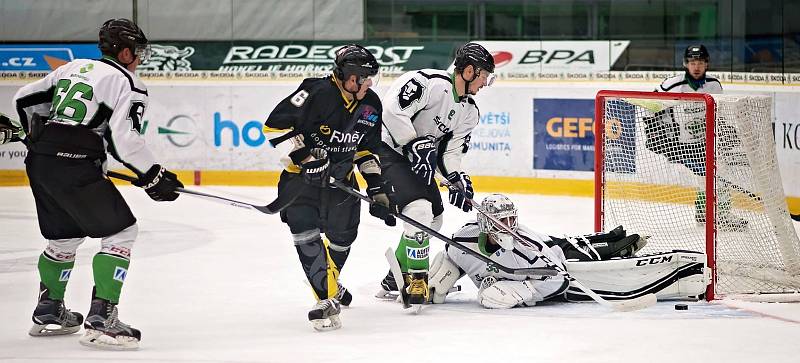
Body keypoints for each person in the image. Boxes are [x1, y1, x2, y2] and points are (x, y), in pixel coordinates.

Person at [11, 18, 184, 350]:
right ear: (124, 52)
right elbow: (124, 138)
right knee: (121, 232)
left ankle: (48, 311)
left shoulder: (73, 68)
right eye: (137, 51)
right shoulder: (128, 83)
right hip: (76, 163)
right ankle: (103, 320)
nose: (139, 58)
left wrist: (36, 134)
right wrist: (154, 176)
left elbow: (24, 99)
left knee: (64, 236)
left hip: (42, 161)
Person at [262, 44, 394, 331]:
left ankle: (330, 283)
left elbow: (367, 150)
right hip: (301, 183)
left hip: (342, 184)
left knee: (342, 239)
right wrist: (307, 159)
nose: (370, 83)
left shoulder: (370, 104)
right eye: (365, 77)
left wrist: (376, 187)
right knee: (306, 235)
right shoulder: (315, 92)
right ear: (349, 77)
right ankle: (324, 298)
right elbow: (275, 127)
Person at [428, 194, 709, 308]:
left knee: (592, 254)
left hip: (553, 255)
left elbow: (558, 278)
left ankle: (676, 269)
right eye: (503, 221)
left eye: (512, 219)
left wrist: (523, 291)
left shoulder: (526, 247)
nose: (510, 226)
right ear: (486, 224)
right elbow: (453, 257)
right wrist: (434, 286)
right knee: (583, 245)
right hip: (546, 248)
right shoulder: (463, 240)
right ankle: (613, 242)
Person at [375, 43, 495, 307]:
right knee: (419, 211)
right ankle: (416, 279)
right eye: (484, 75)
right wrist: (412, 142)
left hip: (416, 159)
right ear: (469, 71)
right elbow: (392, 112)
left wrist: (456, 177)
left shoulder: (469, 112)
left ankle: (393, 277)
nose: (485, 83)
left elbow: (449, 152)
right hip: (388, 150)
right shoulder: (426, 83)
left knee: (435, 219)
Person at [650, 44, 746, 230]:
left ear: (707, 64)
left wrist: (725, 131)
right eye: (692, 62)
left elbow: (717, 113)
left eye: (700, 62)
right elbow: (650, 107)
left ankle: (704, 213)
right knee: (716, 175)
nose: (696, 67)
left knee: (713, 174)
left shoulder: (714, 85)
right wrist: (655, 134)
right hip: (679, 144)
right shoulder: (673, 85)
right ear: (685, 64)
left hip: (704, 142)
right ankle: (721, 215)